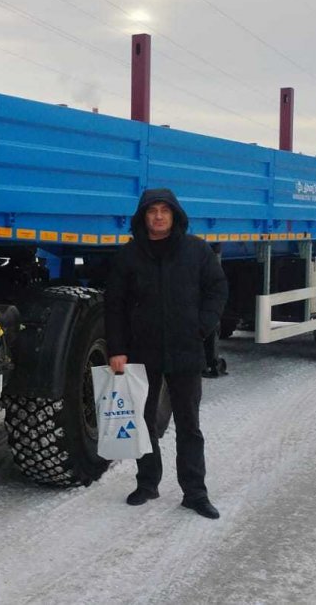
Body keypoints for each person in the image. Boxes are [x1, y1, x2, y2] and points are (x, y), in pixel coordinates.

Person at [105, 188, 228, 518]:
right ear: (143, 217)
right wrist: (117, 349)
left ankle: (195, 493)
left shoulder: (197, 251)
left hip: (186, 350)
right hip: (142, 350)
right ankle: (147, 483)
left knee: (189, 425)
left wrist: (201, 326)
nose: (158, 216)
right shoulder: (129, 256)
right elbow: (114, 305)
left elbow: (217, 289)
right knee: (143, 421)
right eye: (152, 211)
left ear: (175, 215)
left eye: (164, 210)